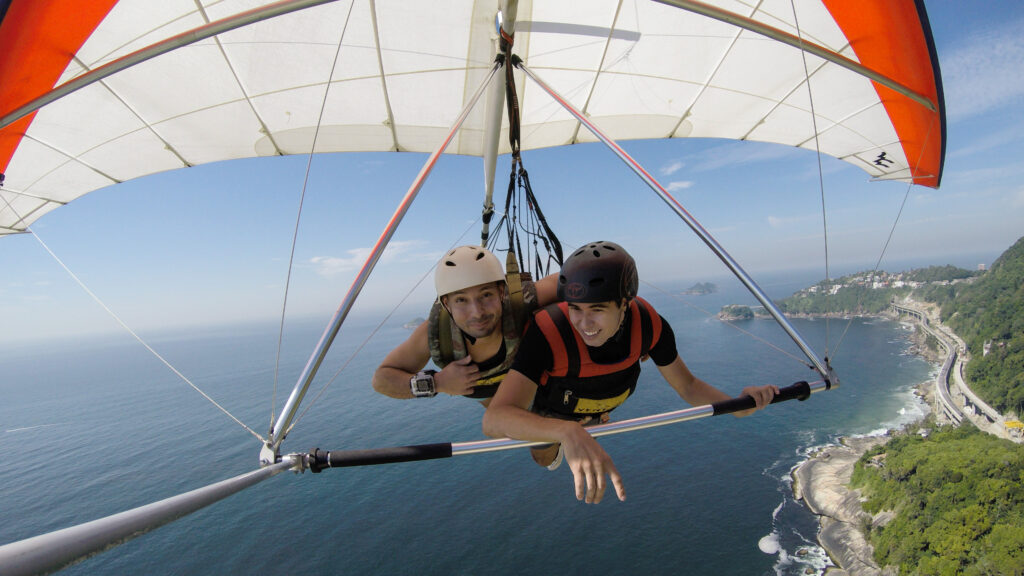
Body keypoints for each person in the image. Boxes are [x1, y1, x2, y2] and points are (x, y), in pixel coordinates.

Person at [483, 241, 779, 504]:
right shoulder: (548, 332)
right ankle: (563, 437)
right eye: (575, 308)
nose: (584, 323)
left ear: (624, 304)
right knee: (544, 456)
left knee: (584, 434)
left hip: (596, 406)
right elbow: (494, 420)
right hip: (551, 411)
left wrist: (740, 406)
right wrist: (565, 430)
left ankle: (585, 426)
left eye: (597, 309)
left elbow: (687, 386)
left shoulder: (649, 325)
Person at [372, 245, 557, 405]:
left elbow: (572, 279)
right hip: (493, 401)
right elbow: (382, 379)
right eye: (461, 300)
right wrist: (437, 382)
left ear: (501, 292)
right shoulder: (439, 332)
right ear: (446, 304)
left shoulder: (520, 303)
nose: (477, 312)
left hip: (531, 388)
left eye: (486, 295)